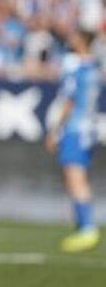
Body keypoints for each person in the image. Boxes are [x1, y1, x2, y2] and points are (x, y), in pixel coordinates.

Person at [45, 29, 101, 252]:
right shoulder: (94, 69)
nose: (72, 39)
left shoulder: (77, 69)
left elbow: (69, 101)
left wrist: (55, 130)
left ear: (82, 42)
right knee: (79, 177)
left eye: (75, 37)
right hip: (89, 128)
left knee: (75, 177)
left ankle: (87, 229)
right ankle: (83, 225)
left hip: (76, 128)